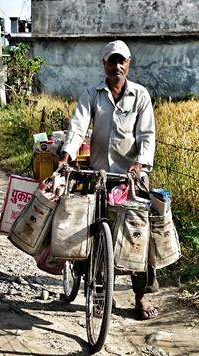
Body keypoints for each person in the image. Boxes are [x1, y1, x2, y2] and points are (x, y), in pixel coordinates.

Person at [58, 40, 159, 320]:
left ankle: (140, 297)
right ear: (104, 64)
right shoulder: (92, 94)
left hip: (132, 178)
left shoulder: (140, 95)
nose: (117, 66)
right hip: (100, 176)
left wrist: (141, 163)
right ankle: (102, 292)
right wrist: (66, 154)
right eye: (112, 61)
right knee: (93, 235)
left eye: (121, 61)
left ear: (129, 63)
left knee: (140, 238)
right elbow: (78, 127)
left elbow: (147, 135)